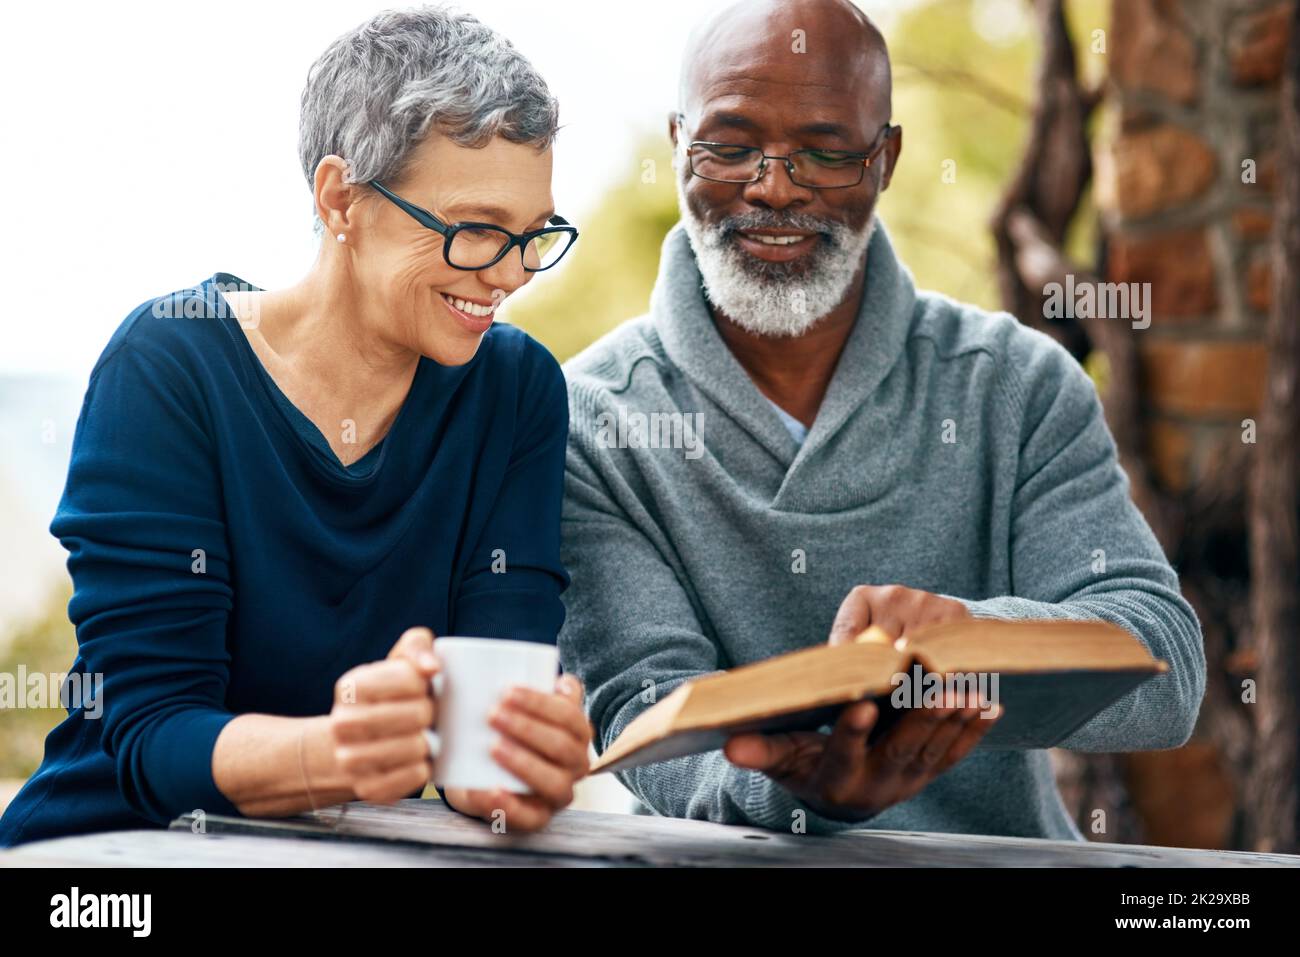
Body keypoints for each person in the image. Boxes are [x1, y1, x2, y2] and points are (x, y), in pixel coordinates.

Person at [557, 0, 1205, 839]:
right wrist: (791, 791)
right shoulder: (590, 419)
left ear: (887, 159)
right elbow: (641, 711)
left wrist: (971, 643)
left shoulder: (1017, 384)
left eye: (825, 150)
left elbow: (1167, 672)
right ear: (679, 142)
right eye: (730, 144)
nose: (775, 187)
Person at [0, 6, 592, 847]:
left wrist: (518, 760)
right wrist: (335, 751)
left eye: (534, 236)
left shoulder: (518, 391)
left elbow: (479, 752)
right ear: (340, 197)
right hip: (105, 854)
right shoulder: (170, 366)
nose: (508, 275)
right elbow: (147, 736)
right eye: (474, 232)